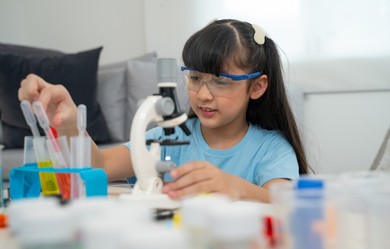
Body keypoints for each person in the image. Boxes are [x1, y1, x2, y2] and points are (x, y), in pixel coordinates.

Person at [18, 19, 309, 203]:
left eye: (221, 81)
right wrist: (69, 122)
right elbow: (102, 166)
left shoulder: (272, 148)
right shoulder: (168, 137)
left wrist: (233, 187)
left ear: (256, 87)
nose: (203, 94)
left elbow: (286, 202)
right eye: (195, 78)